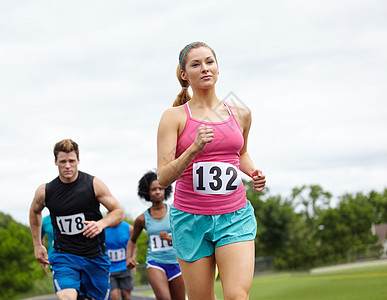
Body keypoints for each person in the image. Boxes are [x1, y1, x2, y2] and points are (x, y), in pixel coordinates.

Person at [156, 42, 266, 300]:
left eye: (209, 61)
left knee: (237, 296)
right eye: (196, 64)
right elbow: (163, 177)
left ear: (217, 67)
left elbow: (240, 154)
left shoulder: (240, 112)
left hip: (234, 216)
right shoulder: (173, 117)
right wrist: (194, 148)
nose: (205, 68)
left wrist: (254, 172)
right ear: (184, 74)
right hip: (191, 220)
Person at [29, 139, 124, 300]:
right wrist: (38, 245)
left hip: (95, 256)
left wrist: (101, 224)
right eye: (63, 161)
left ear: (78, 160)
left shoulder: (94, 184)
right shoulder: (46, 191)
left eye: (71, 161)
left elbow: (118, 212)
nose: (67, 166)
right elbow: (34, 212)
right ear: (55, 162)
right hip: (64, 256)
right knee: (67, 297)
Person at [126, 171, 185, 300]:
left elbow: (185, 236)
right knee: (164, 298)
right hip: (155, 262)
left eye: (160, 188)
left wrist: (170, 238)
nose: (157, 192)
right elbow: (132, 240)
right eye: (153, 189)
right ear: (147, 192)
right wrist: (129, 258)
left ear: (166, 190)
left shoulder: (175, 212)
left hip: (177, 262)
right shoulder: (142, 219)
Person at [105, 221, 135, 300]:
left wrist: (132, 259)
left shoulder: (129, 228)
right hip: (110, 269)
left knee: (126, 296)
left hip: (125, 267)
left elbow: (134, 246)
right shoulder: (104, 229)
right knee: (114, 296)